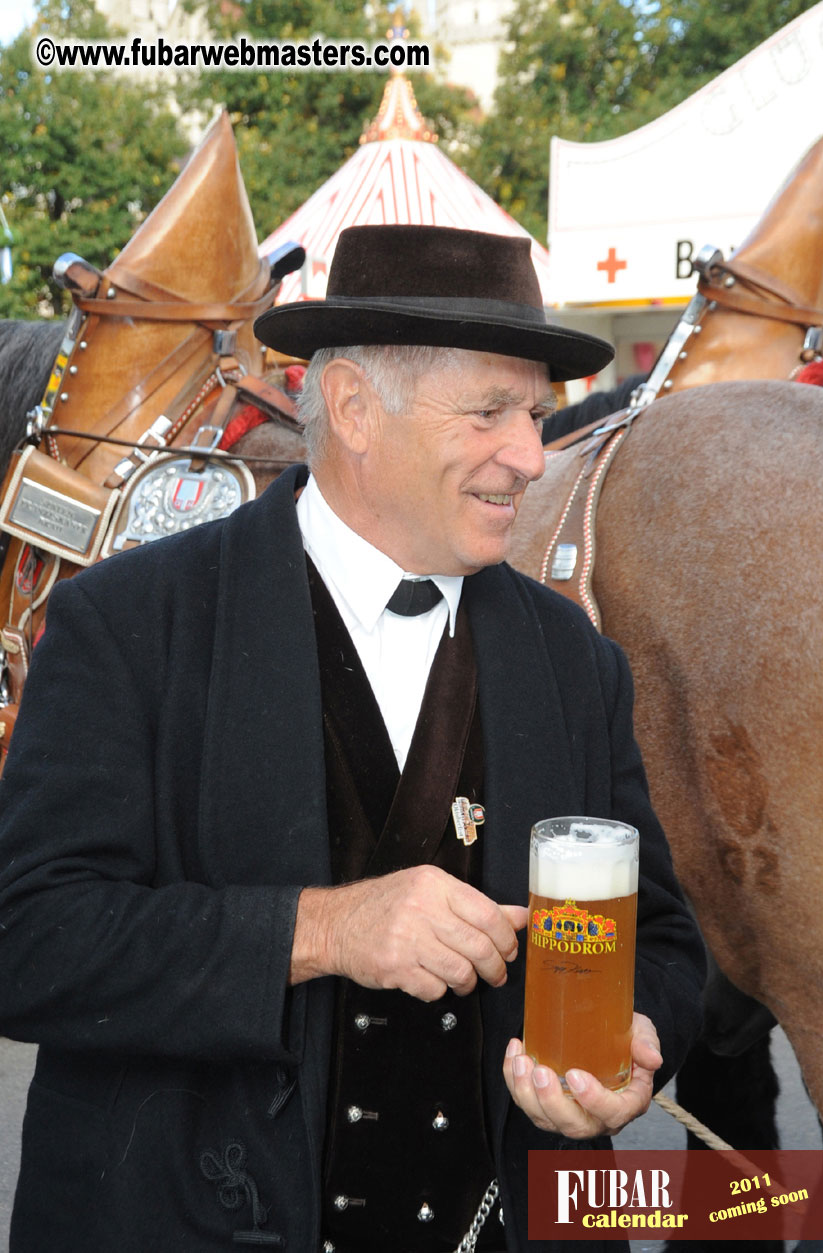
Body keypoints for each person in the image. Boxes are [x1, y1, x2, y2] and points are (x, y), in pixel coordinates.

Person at [0, 224, 705, 1253]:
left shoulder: (573, 658)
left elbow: (661, 940)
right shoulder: (128, 623)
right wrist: (322, 930)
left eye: (537, 415)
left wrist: (636, 1045)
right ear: (355, 409)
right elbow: (29, 938)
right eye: (491, 413)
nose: (529, 453)